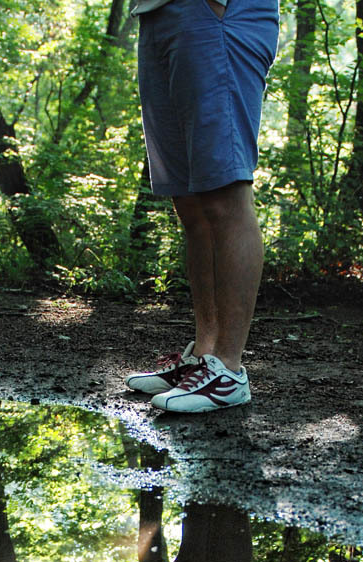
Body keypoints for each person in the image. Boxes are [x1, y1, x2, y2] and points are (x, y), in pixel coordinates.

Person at [125, 0, 279, 414]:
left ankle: (228, 368)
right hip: (159, 14)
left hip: (216, 12)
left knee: (225, 192)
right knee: (190, 202)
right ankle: (204, 358)